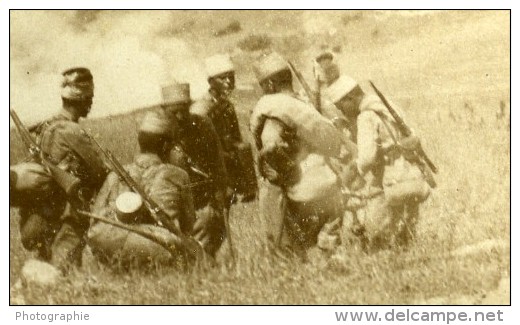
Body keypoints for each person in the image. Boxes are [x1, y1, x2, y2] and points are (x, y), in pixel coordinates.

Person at [250, 52, 346, 258]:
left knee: (284, 250)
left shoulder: (272, 108)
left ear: (269, 85)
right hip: (327, 185)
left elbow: (270, 144)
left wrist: (280, 169)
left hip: (296, 190)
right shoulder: (305, 105)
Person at [13, 67, 107, 273]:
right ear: (83, 99)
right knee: (65, 274)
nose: (91, 103)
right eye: (89, 98)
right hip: (67, 214)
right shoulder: (72, 130)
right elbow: (99, 172)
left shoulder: (45, 126)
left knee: (46, 267)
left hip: (40, 214)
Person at [325, 75, 431, 250]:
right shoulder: (385, 106)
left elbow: (367, 158)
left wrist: (354, 170)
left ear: (349, 99)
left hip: (389, 178)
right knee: (407, 229)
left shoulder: (365, 116)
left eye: (341, 106)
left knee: (376, 235)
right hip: (410, 173)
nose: (342, 112)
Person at [88, 111, 197, 268]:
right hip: (150, 248)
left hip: (106, 243)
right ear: (166, 146)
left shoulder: (115, 174)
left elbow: (95, 219)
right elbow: (189, 227)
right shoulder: (178, 175)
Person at [161, 83, 229, 259]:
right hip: (171, 198)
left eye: (184, 109)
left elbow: (218, 163)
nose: (180, 116)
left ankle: (205, 261)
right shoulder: (159, 130)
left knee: (210, 224)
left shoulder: (203, 125)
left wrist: (220, 194)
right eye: (174, 111)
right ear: (164, 109)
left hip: (202, 197)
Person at [191, 54, 258, 203]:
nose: (229, 82)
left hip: (225, 154)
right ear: (211, 82)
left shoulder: (227, 105)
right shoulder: (201, 108)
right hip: (209, 158)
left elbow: (235, 136)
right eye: (223, 78)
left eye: (231, 77)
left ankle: (247, 189)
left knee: (243, 147)